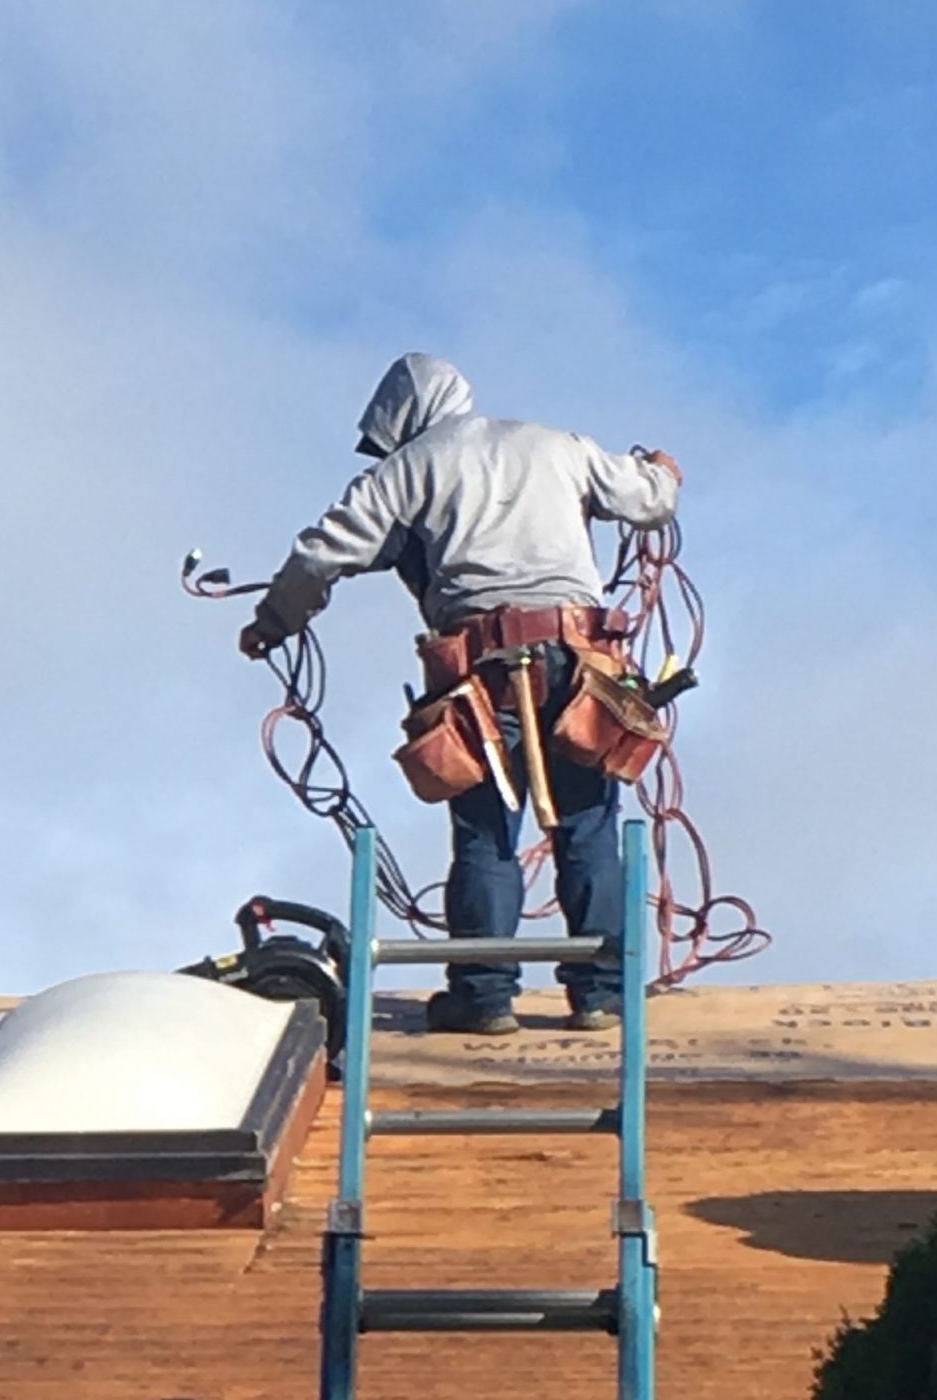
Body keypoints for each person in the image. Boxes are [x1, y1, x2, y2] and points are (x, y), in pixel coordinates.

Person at [237, 354, 681, 1035]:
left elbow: (321, 553)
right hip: (579, 661)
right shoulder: (557, 445)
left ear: (403, 420)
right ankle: (602, 995)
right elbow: (650, 499)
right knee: (587, 823)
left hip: (483, 673)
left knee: (485, 833)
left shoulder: (408, 468)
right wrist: (662, 471)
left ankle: (484, 997)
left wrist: (275, 621)